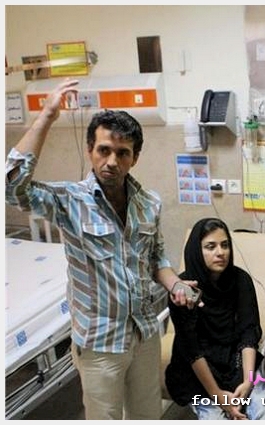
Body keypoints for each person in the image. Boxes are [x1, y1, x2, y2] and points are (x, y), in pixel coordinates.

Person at [5, 79, 195, 419]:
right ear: (90, 150)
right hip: (99, 344)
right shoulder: (69, 202)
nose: (111, 161)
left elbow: (156, 258)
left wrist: (176, 284)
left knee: (147, 416)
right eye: (103, 150)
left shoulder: (148, 203)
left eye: (122, 153)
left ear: (134, 158)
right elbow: (12, 187)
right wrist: (46, 116)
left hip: (144, 333)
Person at [165, 218, 265, 420]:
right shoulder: (183, 291)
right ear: (197, 251)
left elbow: (248, 332)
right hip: (198, 368)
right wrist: (217, 395)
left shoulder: (241, 280)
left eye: (225, 245)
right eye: (210, 247)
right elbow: (192, 350)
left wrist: (248, 381)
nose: (220, 252)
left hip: (234, 358)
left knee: (261, 410)